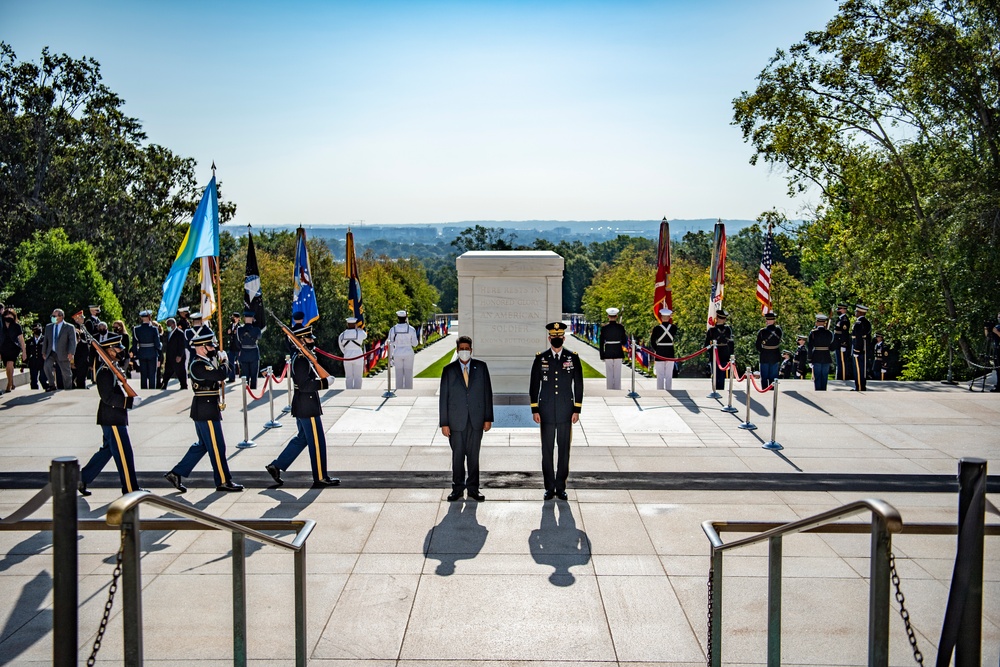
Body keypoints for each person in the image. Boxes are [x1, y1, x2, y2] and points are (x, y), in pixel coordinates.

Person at [164, 332, 243, 493]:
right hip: (206, 410)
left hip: (207, 408)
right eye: (210, 346)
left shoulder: (205, 362)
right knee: (217, 446)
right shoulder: (198, 364)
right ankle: (223, 481)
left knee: (202, 446)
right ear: (201, 348)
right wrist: (226, 360)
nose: (213, 348)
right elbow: (220, 375)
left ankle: (176, 473)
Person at [265, 325, 340, 488]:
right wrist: (324, 383)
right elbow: (305, 385)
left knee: (302, 439)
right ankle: (320, 477)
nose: (312, 341)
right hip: (307, 406)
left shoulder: (302, 357)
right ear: (300, 341)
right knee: (317, 441)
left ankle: (276, 466)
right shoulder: (300, 360)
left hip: (304, 404)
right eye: (309, 338)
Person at [78, 334, 142, 496]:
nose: (121, 350)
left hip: (113, 417)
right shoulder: (105, 371)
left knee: (107, 451)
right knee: (124, 454)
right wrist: (128, 402)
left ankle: (81, 478)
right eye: (118, 348)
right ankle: (130, 488)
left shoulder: (112, 368)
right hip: (112, 418)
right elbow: (107, 397)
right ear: (110, 351)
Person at [529, 322, 583, 501]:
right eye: (554, 337)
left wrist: (577, 409)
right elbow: (534, 384)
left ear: (564, 338)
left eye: (560, 337)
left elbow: (579, 384)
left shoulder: (572, 357)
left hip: (566, 411)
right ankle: (549, 487)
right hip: (545, 411)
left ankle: (561, 486)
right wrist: (534, 408)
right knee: (547, 450)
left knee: (564, 450)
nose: (557, 339)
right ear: (549, 338)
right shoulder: (541, 358)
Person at [439, 335, 494, 502]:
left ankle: (473, 489)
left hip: (476, 421)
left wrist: (488, 418)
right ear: (457, 350)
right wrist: (444, 423)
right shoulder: (448, 370)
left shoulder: (481, 367)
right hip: (456, 422)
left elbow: (487, 394)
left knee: (473, 456)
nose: (464, 351)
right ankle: (457, 488)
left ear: (471, 350)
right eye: (461, 349)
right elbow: (444, 398)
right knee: (457, 456)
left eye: (467, 348)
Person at [43, 308, 77, 391]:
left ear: (61, 316)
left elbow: (73, 341)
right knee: (46, 366)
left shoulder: (69, 327)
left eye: (54, 316)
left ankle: (68, 388)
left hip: (63, 352)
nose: (53, 317)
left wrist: (71, 352)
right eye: (52, 316)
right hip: (51, 352)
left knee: (66, 373)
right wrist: (43, 352)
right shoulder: (49, 327)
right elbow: (45, 340)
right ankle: (52, 385)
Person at [704, 309, 734, 390]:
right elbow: (731, 343)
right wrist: (731, 355)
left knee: (715, 373)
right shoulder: (728, 329)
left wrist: (710, 353)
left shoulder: (711, 330)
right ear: (724, 319)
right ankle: (720, 389)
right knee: (721, 374)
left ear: (716, 318)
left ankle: (715, 389)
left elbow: (706, 344)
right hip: (724, 353)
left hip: (714, 353)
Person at [649, 308, 678, 391]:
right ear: (669, 317)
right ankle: (669, 389)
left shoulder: (656, 328)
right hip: (670, 351)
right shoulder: (673, 328)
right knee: (669, 374)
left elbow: (652, 341)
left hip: (660, 351)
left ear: (661, 318)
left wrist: (656, 349)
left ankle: (660, 390)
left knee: (660, 374)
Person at [131, 310, 161, 389]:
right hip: (152, 353)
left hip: (142, 353)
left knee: (143, 374)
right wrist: (159, 348)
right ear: (149, 317)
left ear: (141, 318)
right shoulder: (154, 329)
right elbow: (157, 344)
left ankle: (144, 389)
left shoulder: (136, 329)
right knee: (152, 374)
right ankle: (152, 389)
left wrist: (135, 355)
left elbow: (134, 344)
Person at [598, 308, 627, 390]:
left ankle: (610, 389)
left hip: (608, 351)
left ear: (608, 316)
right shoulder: (620, 327)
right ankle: (617, 389)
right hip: (618, 351)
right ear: (616, 316)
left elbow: (601, 343)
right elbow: (624, 341)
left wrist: (602, 355)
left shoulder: (604, 328)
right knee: (617, 373)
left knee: (609, 373)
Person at [389, 310, 418, 389]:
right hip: (408, 352)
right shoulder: (411, 329)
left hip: (397, 352)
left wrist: (390, 358)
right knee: (408, 373)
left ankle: (399, 391)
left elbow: (390, 344)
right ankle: (408, 391)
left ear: (398, 318)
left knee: (398, 373)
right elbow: (415, 344)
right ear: (406, 318)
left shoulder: (393, 329)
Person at [754, 311, 783, 389]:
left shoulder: (762, 331)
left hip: (765, 355)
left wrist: (763, 350)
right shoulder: (778, 330)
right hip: (775, 354)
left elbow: (757, 344)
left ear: (766, 320)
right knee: (773, 376)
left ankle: (764, 389)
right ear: (774, 320)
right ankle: (772, 390)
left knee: (764, 376)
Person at [338, 316, 368, 389]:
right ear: (355, 324)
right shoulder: (360, 333)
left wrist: (346, 352)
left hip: (347, 356)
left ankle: (349, 390)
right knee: (358, 376)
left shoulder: (342, 335)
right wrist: (360, 329)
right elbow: (365, 336)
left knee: (348, 376)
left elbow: (341, 346)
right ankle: (357, 390)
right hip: (358, 355)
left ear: (347, 324)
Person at [1, 307, 27, 393]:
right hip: (3, 347)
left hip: (13, 347)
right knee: (7, 366)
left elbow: (21, 339)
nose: (8, 317)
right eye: (7, 315)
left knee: (10, 364)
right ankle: (11, 381)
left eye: (10, 315)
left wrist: (24, 351)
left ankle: (9, 384)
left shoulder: (16, 326)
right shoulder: (1, 324)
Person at [807, 314, 835, 391]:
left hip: (816, 356)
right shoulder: (829, 333)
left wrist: (809, 359)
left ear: (817, 322)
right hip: (826, 356)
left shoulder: (813, 333)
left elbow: (810, 347)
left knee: (817, 375)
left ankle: (818, 390)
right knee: (824, 375)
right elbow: (832, 347)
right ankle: (823, 390)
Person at [236, 310, 262, 389]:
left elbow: (237, 342)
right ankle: (253, 390)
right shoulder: (256, 329)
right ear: (253, 319)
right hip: (254, 353)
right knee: (254, 375)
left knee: (245, 375)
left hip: (244, 353)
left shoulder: (239, 330)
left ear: (244, 318)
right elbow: (259, 337)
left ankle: (245, 391)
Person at [160, 318, 188, 389]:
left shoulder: (180, 333)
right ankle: (164, 384)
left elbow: (182, 345)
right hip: (170, 357)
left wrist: (179, 355)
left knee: (180, 372)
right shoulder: (168, 333)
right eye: (167, 326)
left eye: (169, 325)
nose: (168, 327)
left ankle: (184, 385)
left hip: (178, 357)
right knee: (167, 373)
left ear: (174, 324)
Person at [852, 304, 872, 391]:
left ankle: (859, 387)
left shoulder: (858, 323)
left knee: (859, 369)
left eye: (856, 311)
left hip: (859, 348)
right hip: (864, 348)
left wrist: (856, 350)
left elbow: (859, 337)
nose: (855, 312)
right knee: (861, 369)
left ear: (860, 312)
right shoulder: (866, 322)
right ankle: (860, 386)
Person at [25, 323, 51, 390]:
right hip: (33, 362)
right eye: (36, 329)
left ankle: (47, 388)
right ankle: (34, 392)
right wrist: (24, 363)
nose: (38, 331)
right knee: (33, 379)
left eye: (39, 329)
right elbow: (27, 352)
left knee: (42, 378)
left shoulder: (46, 339)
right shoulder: (29, 341)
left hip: (43, 362)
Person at [70, 310, 92, 389]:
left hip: (84, 350)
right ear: (77, 319)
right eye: (81, 317)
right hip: (77, 351)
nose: (83, 319)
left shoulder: (83, 326)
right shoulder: (75, 327)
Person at [833, 303, 854, 382]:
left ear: (844, 310)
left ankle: (843, 377)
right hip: (838, 343)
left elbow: (845, 333)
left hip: (841, 344)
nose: (838, 310)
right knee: (839, 361)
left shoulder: (844, 320)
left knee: (842, 361)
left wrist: (843, 344)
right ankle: (839, 377)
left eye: (839, 309)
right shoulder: (840, 319)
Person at [226, 312, 242, 382]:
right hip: (232, 347)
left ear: (238, 319)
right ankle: (231, 378)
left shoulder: (240, 327)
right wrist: (228, 332)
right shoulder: (230, 326)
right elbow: (227, 332)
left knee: (241, 362)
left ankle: (244, 376)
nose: (233, 318)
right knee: (231, 363)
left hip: (238, 348)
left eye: (234, 317)